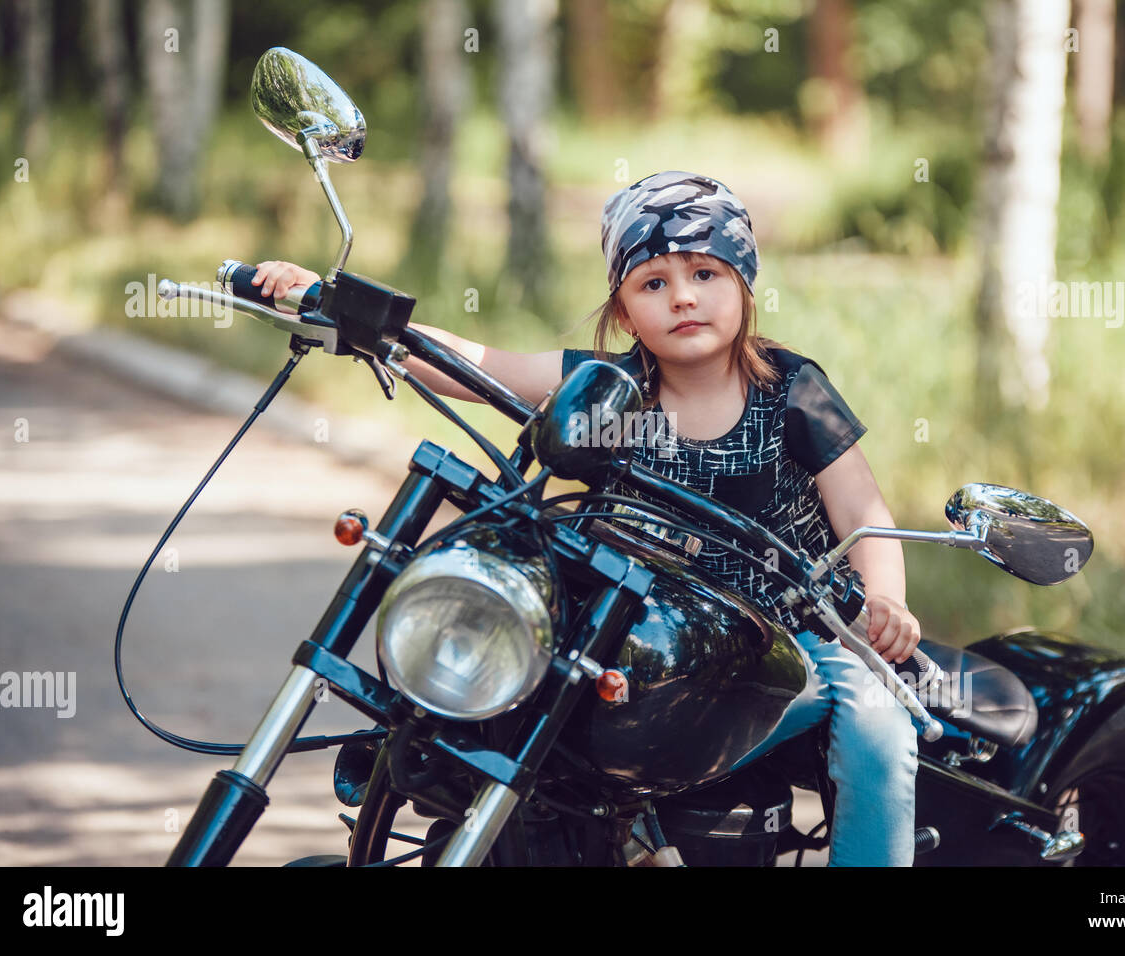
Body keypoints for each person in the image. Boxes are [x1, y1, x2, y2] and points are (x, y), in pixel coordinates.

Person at [251, 169, 922, 866]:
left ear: (744, 286)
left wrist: (886, 597)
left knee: (879, 717)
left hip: (788, 639)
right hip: (635, 637)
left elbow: (863, 510)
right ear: (626, 311)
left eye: (705, 273)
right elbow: (480, 365)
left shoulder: (789, 390)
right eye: (653, 283)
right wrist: (340, 306)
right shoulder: (608, 389)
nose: (683, 296)